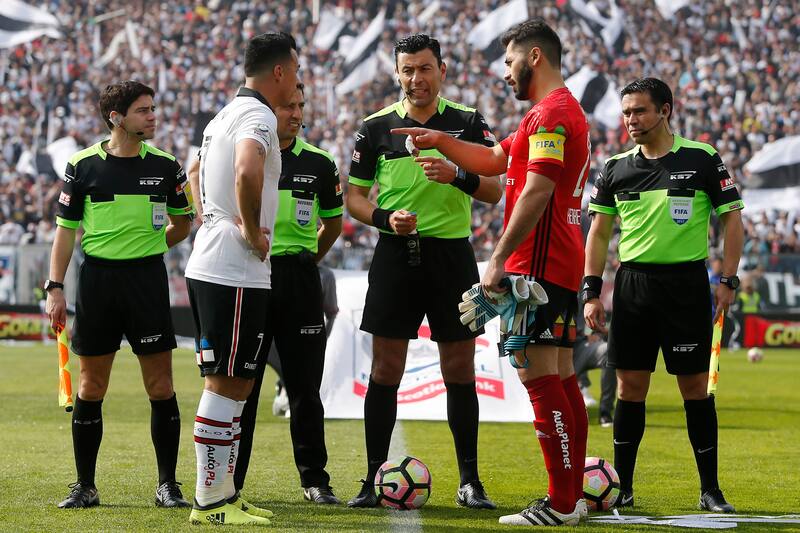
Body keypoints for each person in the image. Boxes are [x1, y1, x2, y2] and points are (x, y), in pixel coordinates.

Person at [394, 19, 591, 526]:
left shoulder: (551, 115)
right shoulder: (546, 115)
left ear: (535, 58)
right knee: (563, 378)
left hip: (538, 268)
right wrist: (439, 138)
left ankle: (562, 502)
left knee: (538, 376)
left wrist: (499, 258)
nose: (504, 73)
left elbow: (537, 190)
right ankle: (572, 495)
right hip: (557, 264)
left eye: (509, 62)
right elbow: (492, 159)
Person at [345, 33, 503, 510]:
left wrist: (457, 175)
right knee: (385, 369)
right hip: (394, 257)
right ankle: (373, 479)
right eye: (408, 69)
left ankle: (470, 481)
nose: (417, 78)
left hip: (452, 258)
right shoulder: (374, 128)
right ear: (397, 73)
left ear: (443, 70)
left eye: (425, 68)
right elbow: (353, 198)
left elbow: (496, 189)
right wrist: (384, 219)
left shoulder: (467, 122)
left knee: (458, 369)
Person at [583, 77, 744, 513]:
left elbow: (732, 221)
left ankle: (710, 489)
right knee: (629, 387)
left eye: (639, 111)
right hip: (633, 287)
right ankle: (624, 488)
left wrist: (728, 280)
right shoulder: (615, 167)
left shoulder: (703, 158)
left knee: (695, 389)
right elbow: (598, 234)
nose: (631, 120)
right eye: (626, 112)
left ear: (665, 110)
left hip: (687, 286)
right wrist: (591, 292)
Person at [45, 80, 194, 509]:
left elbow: (183, 224)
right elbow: (65, 233)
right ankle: (85, 486)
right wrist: (55, 288)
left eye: (152, 108)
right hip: (98, 284)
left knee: (161, 385)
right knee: (91, 386)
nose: (153, 116)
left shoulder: (167, 166)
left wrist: (147, 249)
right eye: (144, 110)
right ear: (116, 118)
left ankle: (167, 484)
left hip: (147, 282)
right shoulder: (82, 165)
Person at [183, 32, 299, 526]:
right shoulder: (258, 117)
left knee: (238, 384)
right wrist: (251, 231)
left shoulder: (224, 114)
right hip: (232, 269)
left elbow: (192, 172)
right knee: (226, 384)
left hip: (220, 263)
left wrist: (210, 218)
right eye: (295, 71)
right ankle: (209, 502)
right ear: (278, 72)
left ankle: (224, 493)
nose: (297, 80)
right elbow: (248, 171)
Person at [232, 83, 343, 504]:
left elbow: (332, 224)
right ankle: (230, 482)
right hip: (249, 274)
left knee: (304, 389)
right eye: (287, 106)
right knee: (243, 386)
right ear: (265, 111)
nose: (296, 113)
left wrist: (304, 260)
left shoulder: (319, 162)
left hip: (298, 277)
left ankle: (315, 480)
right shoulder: (246, 152)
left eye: (300, 105)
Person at [573, 303, 615, 427]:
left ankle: (605, 412)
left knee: (609, 351)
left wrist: (595, 334)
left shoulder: (583, 291)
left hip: (579, 345)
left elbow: (594, 318)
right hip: (552, 347)